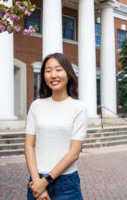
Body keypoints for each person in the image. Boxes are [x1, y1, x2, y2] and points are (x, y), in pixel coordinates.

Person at [24, 53, 88, 200]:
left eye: (58, 70)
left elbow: (74, 153)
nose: (53, 75)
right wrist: (37, 183)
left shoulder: (78, 108)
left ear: (68, 74)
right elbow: (28, 146)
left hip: (66, 183)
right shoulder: (36, 106)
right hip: (36, 179)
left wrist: (46, 181)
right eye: (48, 71)